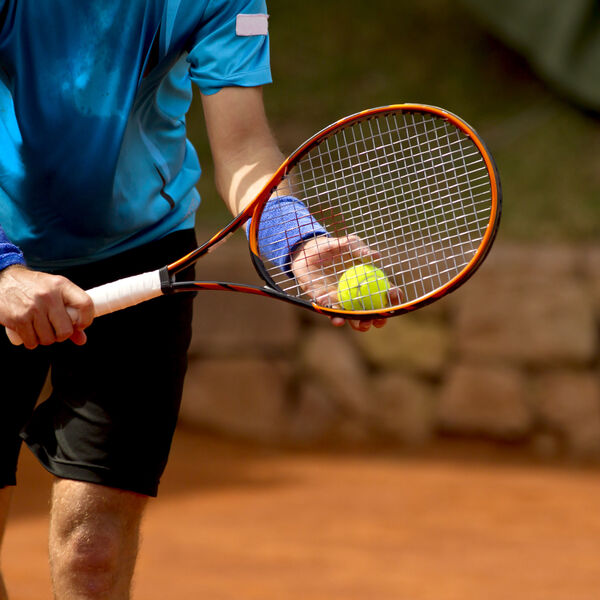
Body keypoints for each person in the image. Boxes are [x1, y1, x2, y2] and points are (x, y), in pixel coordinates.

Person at [0, 2, 387, 598]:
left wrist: (297, 240)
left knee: (92, 550)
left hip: (141, 250)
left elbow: (246, 151)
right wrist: (4, 269)